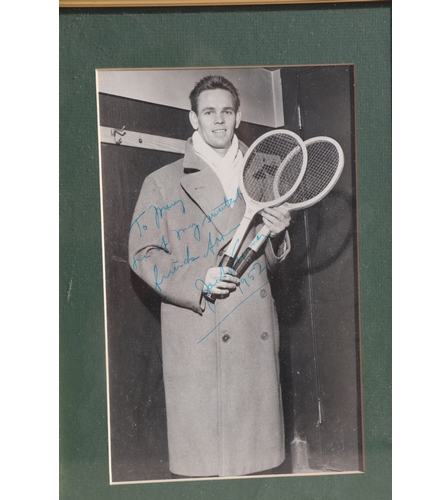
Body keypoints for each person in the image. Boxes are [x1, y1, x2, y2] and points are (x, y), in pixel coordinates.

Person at [128, 75, 292, 477]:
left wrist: (279, 233)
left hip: (253, 330)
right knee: (210, 468)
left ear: (238, 118)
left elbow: (266, 262)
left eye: (227, 111)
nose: (218, 121)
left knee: (255, 468)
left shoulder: (264, 177)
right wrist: (200, 278)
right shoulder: (162, 182)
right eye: (208, 112)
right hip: (199, 331)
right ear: (193, 118)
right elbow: (142, 254)